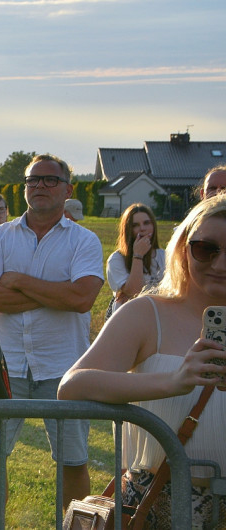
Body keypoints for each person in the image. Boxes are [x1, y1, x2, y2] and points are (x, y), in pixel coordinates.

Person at [58, 193, 226, 529]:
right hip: (156, 508)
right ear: (182, 249)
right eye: (206, 249)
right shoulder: (147, 314)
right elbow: (72, 387)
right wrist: (173, 381)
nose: (220, 264)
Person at [0, 154, 104, 529]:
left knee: (73, 459)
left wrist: (17, 279)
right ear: (24, 187)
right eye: (33, 180)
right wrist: (54, 295)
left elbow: (81, 299)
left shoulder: (85, 241)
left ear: (68, 188)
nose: (40, 186)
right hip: (6, 364)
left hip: (64, 367)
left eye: (50, 180)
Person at [106, 203, 165, 318]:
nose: (142, 228)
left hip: (158, 318)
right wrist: (138, 255)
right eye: (135, 225)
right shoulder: (116, 259)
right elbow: (134, 291)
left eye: (146, 223)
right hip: (128, 319)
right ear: (128, 229)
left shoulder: (165, 256)